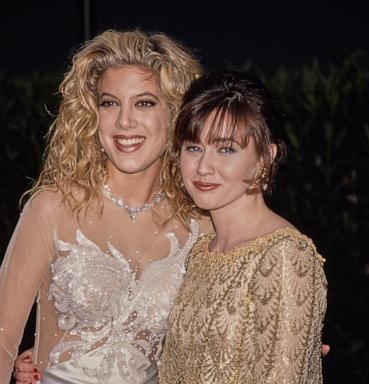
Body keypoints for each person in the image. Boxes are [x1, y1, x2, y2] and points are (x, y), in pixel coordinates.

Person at [0, 29, 211, 384]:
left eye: (144, 103)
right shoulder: (52, 208)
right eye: (109, 103)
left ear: (175, 113)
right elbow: (3, 338)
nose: (124, 121)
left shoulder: (200, 225)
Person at [159, 70, 327, 383]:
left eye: (226, 149)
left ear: (265, 158)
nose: (203, 167)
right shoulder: (201, 251)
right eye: (194, 147)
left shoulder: (286, 256)